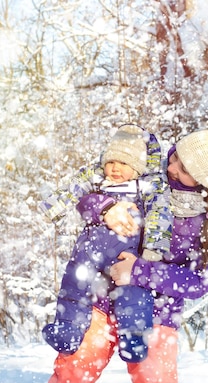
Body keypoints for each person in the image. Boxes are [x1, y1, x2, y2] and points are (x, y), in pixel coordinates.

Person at [35, 129, 208, 383]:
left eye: (183, 169)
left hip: (157, 312)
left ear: (204, 184)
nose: (171, 167)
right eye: (176, 155)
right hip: (100, 300)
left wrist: (138, 272)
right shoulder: (149, 168)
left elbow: (200, 282)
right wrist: (106, 208)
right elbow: (85, 195)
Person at [39, 124, 172, 363]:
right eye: (111, 161)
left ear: (138, 167)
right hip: (91, 249)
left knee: (133, 292)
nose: (115, 168)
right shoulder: (98, 179)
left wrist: (153, 251)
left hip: (127, 252)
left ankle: (134, 337)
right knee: (76, 282)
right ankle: (68, 330)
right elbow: (73, 190)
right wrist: (54, 207)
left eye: (124, 163)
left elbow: (159, 215)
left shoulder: (147, 187)